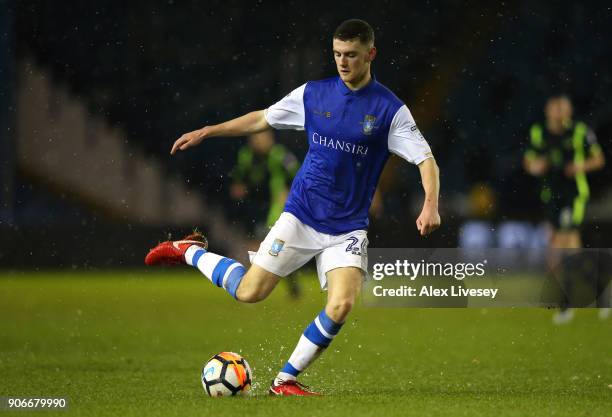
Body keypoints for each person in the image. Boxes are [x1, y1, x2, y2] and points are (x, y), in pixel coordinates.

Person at [145, 19, 441, 395]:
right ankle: (189, 252)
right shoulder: (314, 95)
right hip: (301, 215)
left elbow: (426, 160)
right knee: (250, 292)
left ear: (371, 54)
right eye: (336, 54)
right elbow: (261, 118)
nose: (342, 62)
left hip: (348, 226)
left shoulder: (389, 110)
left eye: (351, 55)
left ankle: (284, 379)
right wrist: (208, 130)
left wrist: (430, 204)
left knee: (343, 303)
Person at [523, 94, 606, 323]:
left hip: (574, 196)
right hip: (551, 197)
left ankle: (566, 302)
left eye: (563, 109)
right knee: (565, 250)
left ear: (568, 112)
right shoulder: (539, 132)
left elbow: (599, 159)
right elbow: (529, 161)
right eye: (555, 109)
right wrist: (535, 167)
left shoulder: (579, 131)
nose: (559, 114)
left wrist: (580, 165)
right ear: (548, 111)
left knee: (561, 245)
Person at [230, 130, 302, 297]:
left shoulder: (279, 154)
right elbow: (239, 173)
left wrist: (289, 192)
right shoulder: (246, 155)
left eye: (263, 137)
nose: (260, 141)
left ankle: (254, 284)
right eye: (256, 138)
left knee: (272, 245)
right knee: (255, 244)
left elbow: (298, 173)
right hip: (253, 206)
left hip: (274, 207)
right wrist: (237, 184)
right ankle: (251, 285)